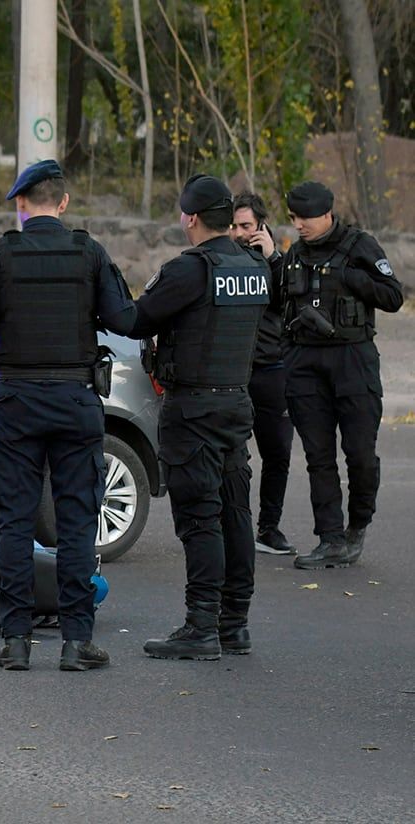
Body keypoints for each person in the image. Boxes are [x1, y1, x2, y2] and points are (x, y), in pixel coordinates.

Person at [0, 159, 137, 672]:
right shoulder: (89, 253)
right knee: (76, 523)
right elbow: (124, 318)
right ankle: (77, 642)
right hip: (75, 400)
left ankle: (16, 641)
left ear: (20, 205)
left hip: (17, 403)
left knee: (15, 522)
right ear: (64, 203)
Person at [128, 174, 268, 660]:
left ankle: (201, 626)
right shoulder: (254, 266)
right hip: (235, 403)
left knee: (199, 518)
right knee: (235, 512)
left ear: (190, 218)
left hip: (193, 409)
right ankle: (235, 625)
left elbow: (136, 320)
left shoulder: (189, 270)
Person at [279, 182, 404, 570]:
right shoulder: (295, 253)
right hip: (305, 363)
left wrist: (353, 279)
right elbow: (279, 304)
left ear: (327, 214)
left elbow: (393, 296)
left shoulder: (359, 246)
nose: (298, 225)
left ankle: (357, 526)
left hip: (352, 359)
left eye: (305, 218)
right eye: (294, 217)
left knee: (360, 455)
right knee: (318, 456)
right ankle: (330, 539)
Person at [230, 192, 296, 556]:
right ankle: (231, 526)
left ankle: (269, 529)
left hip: (271, 370)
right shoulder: (220, 257)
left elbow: (291, 298)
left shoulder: (278, 263)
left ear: (261, 226)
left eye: (246, 226)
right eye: (234, 226)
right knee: (232, 457)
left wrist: (272, 256)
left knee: (277, 453)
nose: (239, 233)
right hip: (232, 373)